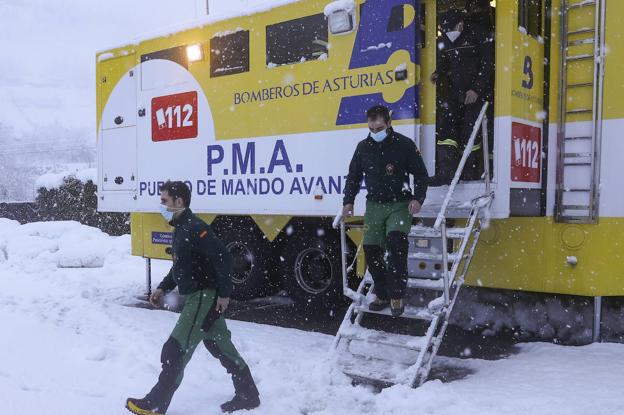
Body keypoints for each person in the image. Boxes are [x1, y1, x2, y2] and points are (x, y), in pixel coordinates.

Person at [126, 181, 260, 415]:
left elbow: (224, 258)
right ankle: (249, 394)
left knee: (175, 349)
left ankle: (156, 403)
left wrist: (225, 294)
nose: (161, 205)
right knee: (221, 346)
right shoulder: (182, 228)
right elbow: (181, 266)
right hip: (200, 298)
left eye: (165, 201)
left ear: (179, 202)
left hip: (202, 299)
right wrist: (163, 287)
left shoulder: (195, 227)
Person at [342, 105, 429, 317]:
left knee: (396, 244)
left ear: (389, 123)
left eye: (379, 127)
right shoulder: (363, 147)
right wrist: (348, 201)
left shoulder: (404, 145)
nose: (375, 132)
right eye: (371, 128)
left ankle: (397, 295)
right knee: (371, 250)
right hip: (374, 205)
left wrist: (418, 198)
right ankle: (381, 293)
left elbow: (421, 174)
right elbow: (353, 176)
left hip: (399, 205)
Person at [429, 9, 494, 186]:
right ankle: (446, 172)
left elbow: (487, 65)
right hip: (456, 93)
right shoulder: (445, 40)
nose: (449, 33)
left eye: (451, 29)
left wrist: (476, 89)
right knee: (446, 129)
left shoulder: (478, 34)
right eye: (445, 30)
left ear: (461, 23)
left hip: (477, 94)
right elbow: (445, 60)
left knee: (469, 131)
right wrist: (438, 72)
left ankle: (469, 173)